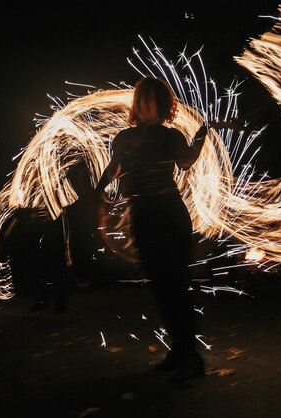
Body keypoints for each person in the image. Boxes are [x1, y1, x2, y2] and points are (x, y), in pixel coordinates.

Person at [95, 76, 234, 383]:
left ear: (161, 105)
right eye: (141, 100)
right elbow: (116, 166)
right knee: (161, 287)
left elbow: (187, 162)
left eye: (151, 100)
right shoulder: (124, 138)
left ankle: (192, 358)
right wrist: (101, 189)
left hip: (169, 214)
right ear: (136, 105)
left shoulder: (169, 137)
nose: (145, 105)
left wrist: (204, 130)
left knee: (176, 287)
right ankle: (179, 350)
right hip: (142, 215)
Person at [1, 207, 70, 314]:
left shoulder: (48, 191)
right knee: (37, 269)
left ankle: (60, 303)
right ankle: (42, 301)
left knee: (54, 269)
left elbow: (58, 209)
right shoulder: (28, 194)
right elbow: (21, 211)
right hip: (33, 231)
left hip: (50, 230)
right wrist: (11, 227)